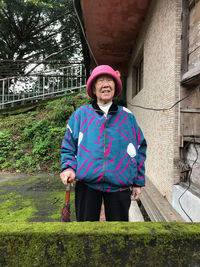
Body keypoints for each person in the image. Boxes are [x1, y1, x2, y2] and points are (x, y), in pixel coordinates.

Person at [60, 65, 147, 222]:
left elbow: (139, 148)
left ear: (115, 87)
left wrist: (137, 182)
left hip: (119, 185)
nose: (105, 84)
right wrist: (68, 168)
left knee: (119, 232)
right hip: (87, 185)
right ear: (93, 88)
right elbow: (68, 146)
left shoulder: (127, 117)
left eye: (109, 80)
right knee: (86, 231)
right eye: (100, 81)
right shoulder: (81, 115)